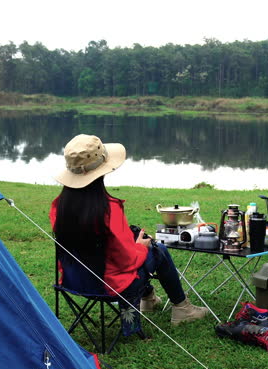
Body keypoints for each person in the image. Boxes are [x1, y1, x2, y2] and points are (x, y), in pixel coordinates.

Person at [49, 133, 208, 326]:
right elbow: (127, 261)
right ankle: (183, 308)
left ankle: (148, 299)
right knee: (158, 250)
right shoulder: (109, 209)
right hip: (109, 286)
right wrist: (141, 246)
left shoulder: (58, 207)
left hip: (74, 281)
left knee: (138, 243)